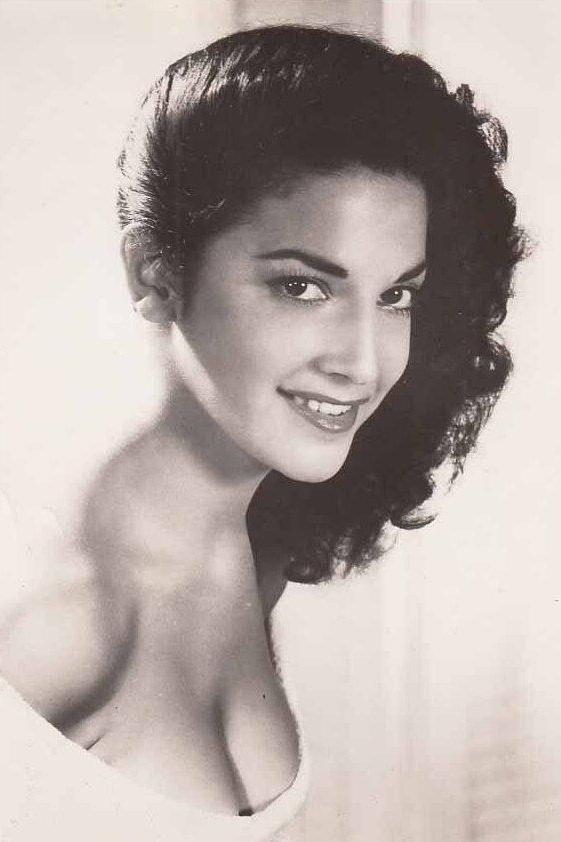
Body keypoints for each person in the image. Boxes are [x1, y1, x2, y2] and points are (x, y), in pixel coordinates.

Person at [0, 24, 525, 841]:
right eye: (303, 287)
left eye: (396, 297)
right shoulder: (48, 614)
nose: (361, 363)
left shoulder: (260, 556)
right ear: (154, 272)